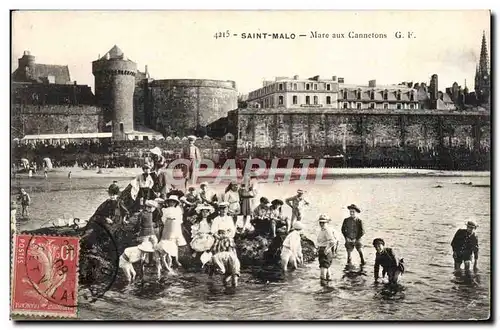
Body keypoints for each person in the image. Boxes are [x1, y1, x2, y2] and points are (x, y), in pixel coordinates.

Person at [158, 195, 186, 269]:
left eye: (173, 202)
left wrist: (176, 224)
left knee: (175, 242)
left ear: (175, 203)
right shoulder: (165, 210)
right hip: (168, 224)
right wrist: (168, 223)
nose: (171, 203)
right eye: (170, 201)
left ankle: (175, 259)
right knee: (168, 240)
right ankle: (166, 258)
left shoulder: (178, 209)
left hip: (176, 225)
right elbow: (163, 219)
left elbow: (180, 219)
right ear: (168, 202)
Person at [317, 215, 339, 281]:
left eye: (323, 222)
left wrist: (327, 249)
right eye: (320, 222)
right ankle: (328, 287)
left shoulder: (327, 230)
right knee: (327, 269)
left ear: (327, 222)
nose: (321, 224)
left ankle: (323, 287)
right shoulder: (323, 230)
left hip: (325, 251)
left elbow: (332, 241)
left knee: (323, 272)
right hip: (322, 250)